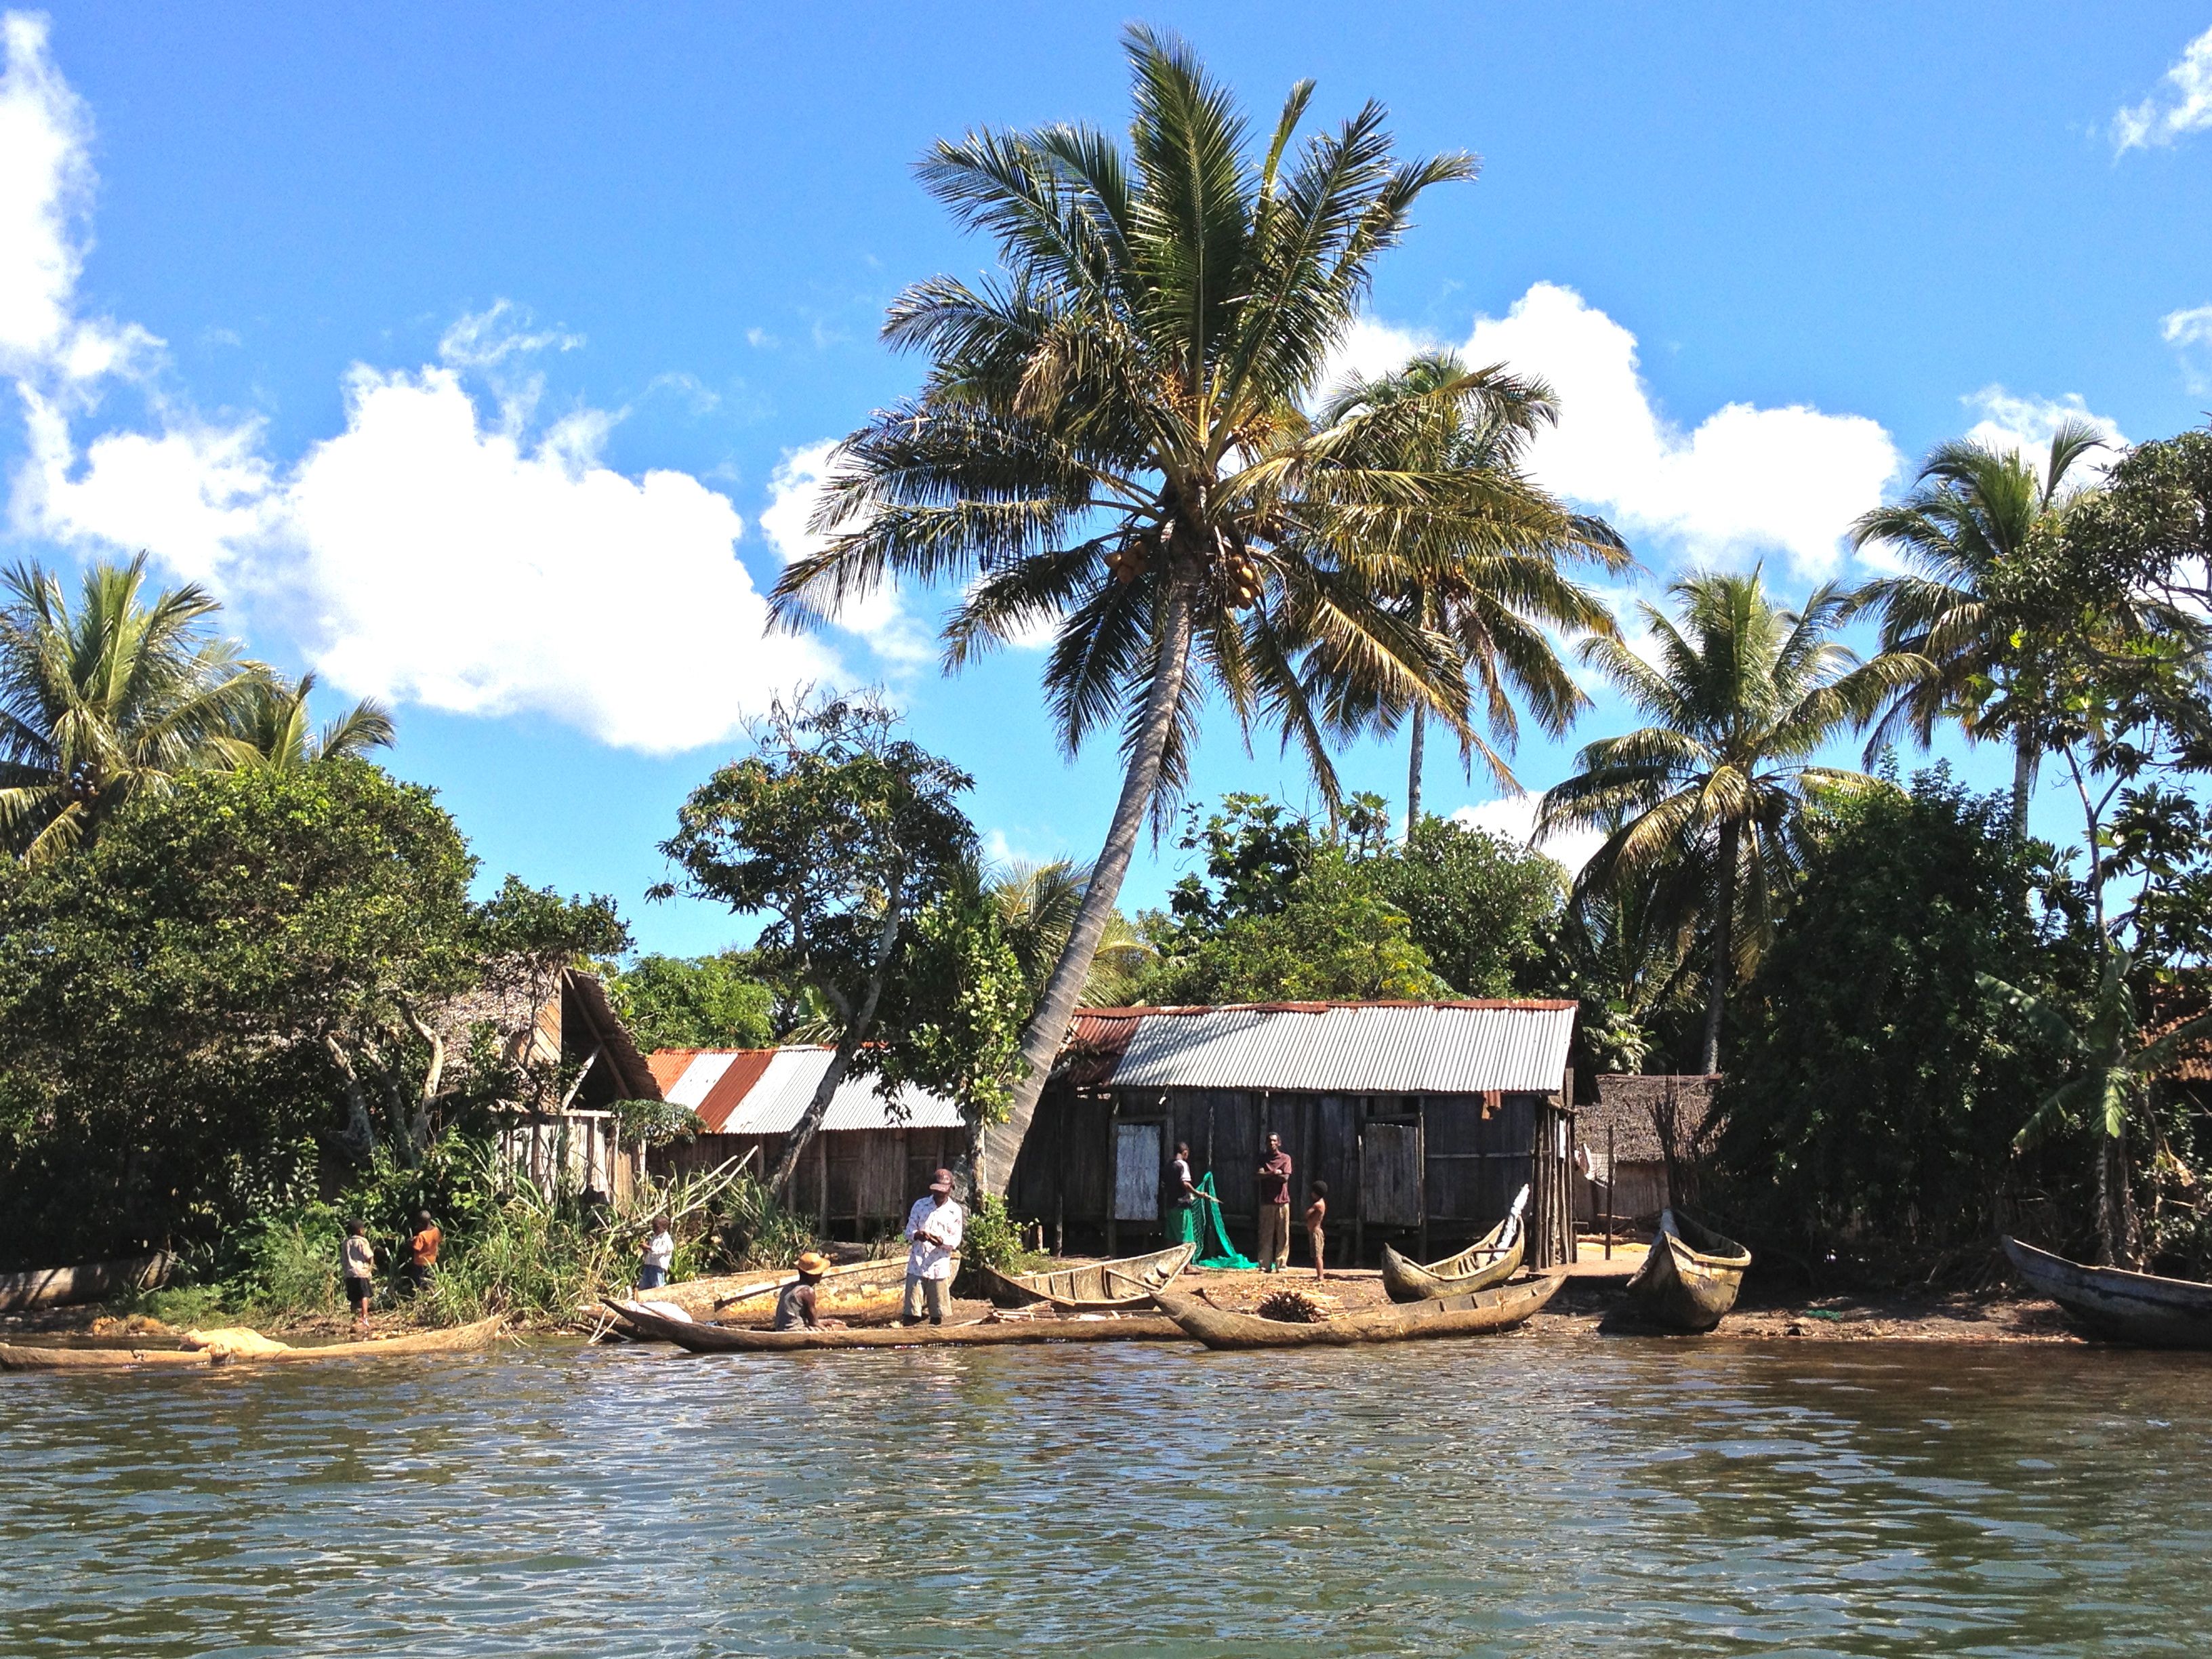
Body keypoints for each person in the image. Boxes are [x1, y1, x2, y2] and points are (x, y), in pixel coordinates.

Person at [903, 1168, 964, 1326]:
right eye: (937, 1190)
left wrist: (941, 1241)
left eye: (944, 1190)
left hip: (939, 1266)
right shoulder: (920, 1205)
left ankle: (935, 1346)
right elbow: (909, 1231)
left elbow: (955, 1239)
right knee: (911, 1313)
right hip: (917, 1264)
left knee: (937, 1315)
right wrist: (918, 1235)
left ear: (951, 1188)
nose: (940, 1193)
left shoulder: (955, 1211)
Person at [773, 1251, 844, 1331]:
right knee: (839, 1328)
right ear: (812, 1275)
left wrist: (828, 1321)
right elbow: (814, 1323)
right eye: (820, 1272)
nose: (821, 1274)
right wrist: (829, 1331)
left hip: (781, 1330)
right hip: (796, 1331)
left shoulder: (788, 1287)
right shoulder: (807, 1292)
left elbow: (804, 1319)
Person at [1256, 1132, 1294, 1272]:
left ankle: (1281, 1263)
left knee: (1283, 1234)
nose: (1271, 1143)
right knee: (1266, 1234)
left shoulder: (1285, 1158)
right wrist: (1273, 1173)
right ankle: (1264, 1264)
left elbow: (1285, 1178)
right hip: (1267, 1202)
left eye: (1274, 1141)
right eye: (1269, 1141)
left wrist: (1269, 1175)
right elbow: (1259, 1175)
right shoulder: (1262, 1159)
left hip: (1283, 1202)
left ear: (1279, 1143)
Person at [1162, 1140, 1200, 1248]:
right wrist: (1197, 1193)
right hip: (1182, 1206)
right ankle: (1186, 1264)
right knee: (1186, 1237)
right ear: (1185, 1153)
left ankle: (1171, 1262)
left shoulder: (1168, 1166)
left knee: (1171, 1237)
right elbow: (1185, 1184)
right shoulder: (1183, 1165)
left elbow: (1164, 1185)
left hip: (1170, 1206)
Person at [341, 1221, 376, 1331]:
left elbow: (344, 1259)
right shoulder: (362, 1242)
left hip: (350, 1273)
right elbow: (369, 1256)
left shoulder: (346, 1243)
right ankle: (364, 1318)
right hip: (361, 1273)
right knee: (364, 1296)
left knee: (353, 1297)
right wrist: (370, 1267)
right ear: (360, 1230)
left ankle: (353, 1318)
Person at [405, 1209, 441, 1296]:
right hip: (432, 1261)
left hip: (420, 1263)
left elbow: (417, 1248)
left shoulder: (422, 1235)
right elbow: (439, 1240)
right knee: (430, 1280)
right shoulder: (436, 1230)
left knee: (419, 1281)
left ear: (421, 1223)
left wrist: (411, 1242)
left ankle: (421, 1295)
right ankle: (432, 1294)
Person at [638, 1214, 675, 1291]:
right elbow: (651, 1251)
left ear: (664, 1228)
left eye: (656, 1227)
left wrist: (648, 1247)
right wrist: (646, 1249)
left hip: (658, 1267)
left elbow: (662, 1250)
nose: (654, 1229)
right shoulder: (655, 1237)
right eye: (653, 1227)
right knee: (645, 1285)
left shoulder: (666, 1238)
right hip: (649, 1264)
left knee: (657, 1286)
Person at [1305, 1181, 1330, 1281]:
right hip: (1313, 1231)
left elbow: (1307, 1214)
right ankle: (1319, 1275)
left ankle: (1320, 1276)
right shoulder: (1321, 1203)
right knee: (1315, 1256)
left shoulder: (1318, 1205)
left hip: (1316, 1232)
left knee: (1318, 1255)